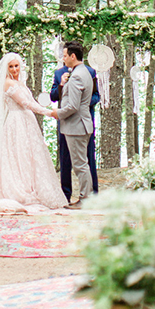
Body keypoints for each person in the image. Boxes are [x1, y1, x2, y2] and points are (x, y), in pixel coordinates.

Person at [0, 52, 66, 211]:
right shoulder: (8, 83)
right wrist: (48, 113)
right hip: (16, 122)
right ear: (7, 68)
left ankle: (34, 185)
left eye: (16, 66)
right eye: (11, 67)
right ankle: (20, 188)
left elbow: (32, 101)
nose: (14, 69)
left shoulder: (19, 82)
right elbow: (26, 103)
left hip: (28, 121)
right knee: (18, 155)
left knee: (30, 155)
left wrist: (45, 108)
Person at [51, 42, 94, 208]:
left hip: (76, 126)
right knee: (82, 163)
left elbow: (73, 106)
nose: (63, 59)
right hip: (81, 124)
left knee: (80, 165)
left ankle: (85, 199)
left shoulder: (77, 76)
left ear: (72, 56)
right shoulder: (84, 72)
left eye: (65, 55)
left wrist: (57, 113)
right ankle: (87, 197)